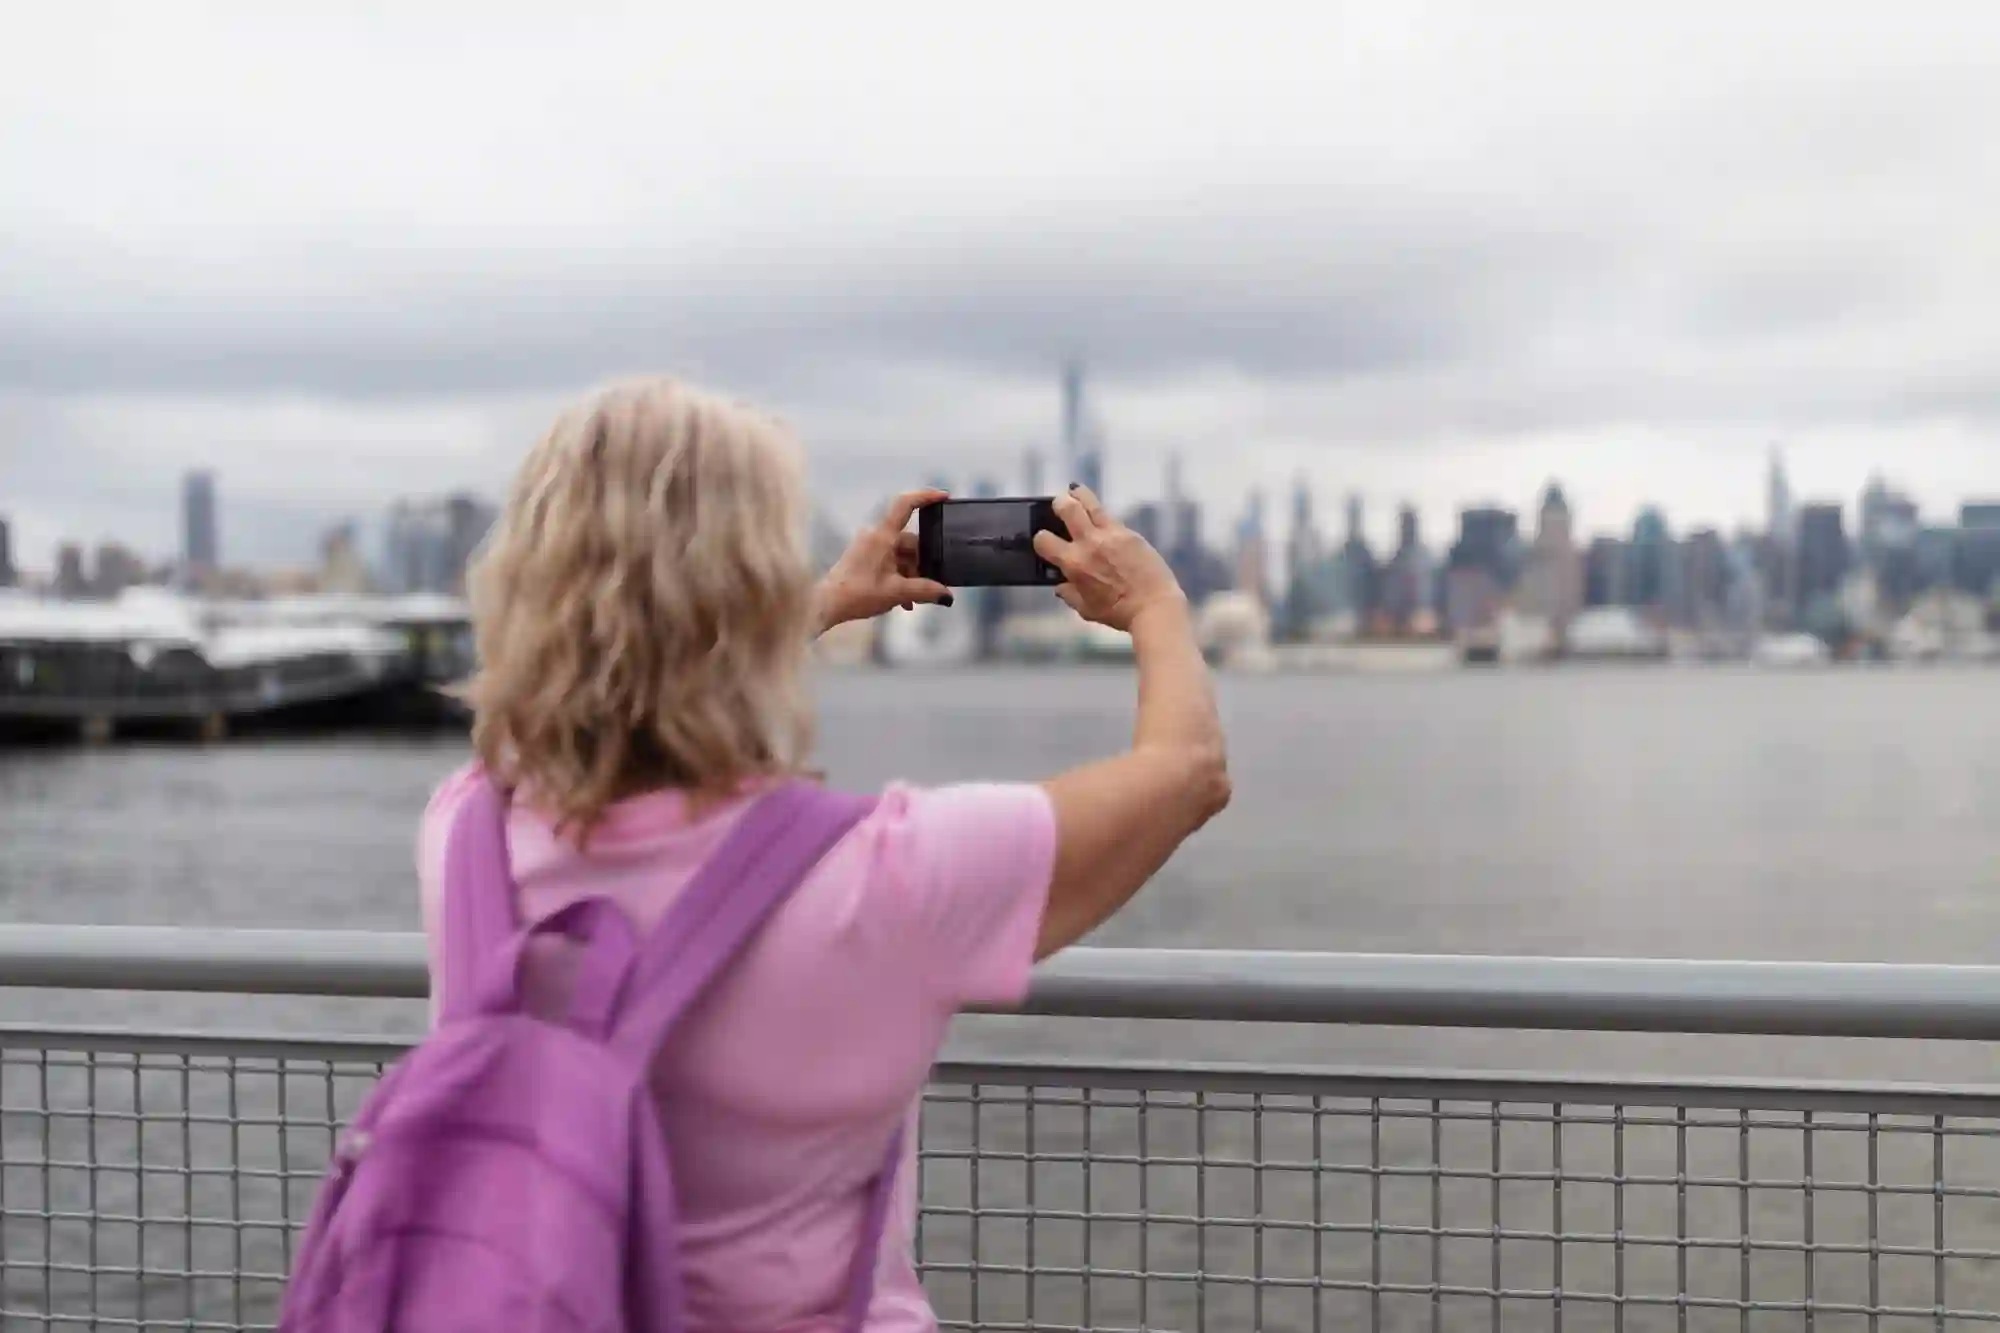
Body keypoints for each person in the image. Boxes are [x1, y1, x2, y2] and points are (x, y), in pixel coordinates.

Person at [416, 376, 1229, 1332]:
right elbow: (1189, 769)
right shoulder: (884, 876)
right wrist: (1160, 607)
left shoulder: (467, 827)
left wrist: (825, 604)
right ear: (751, 580)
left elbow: (616, 697)